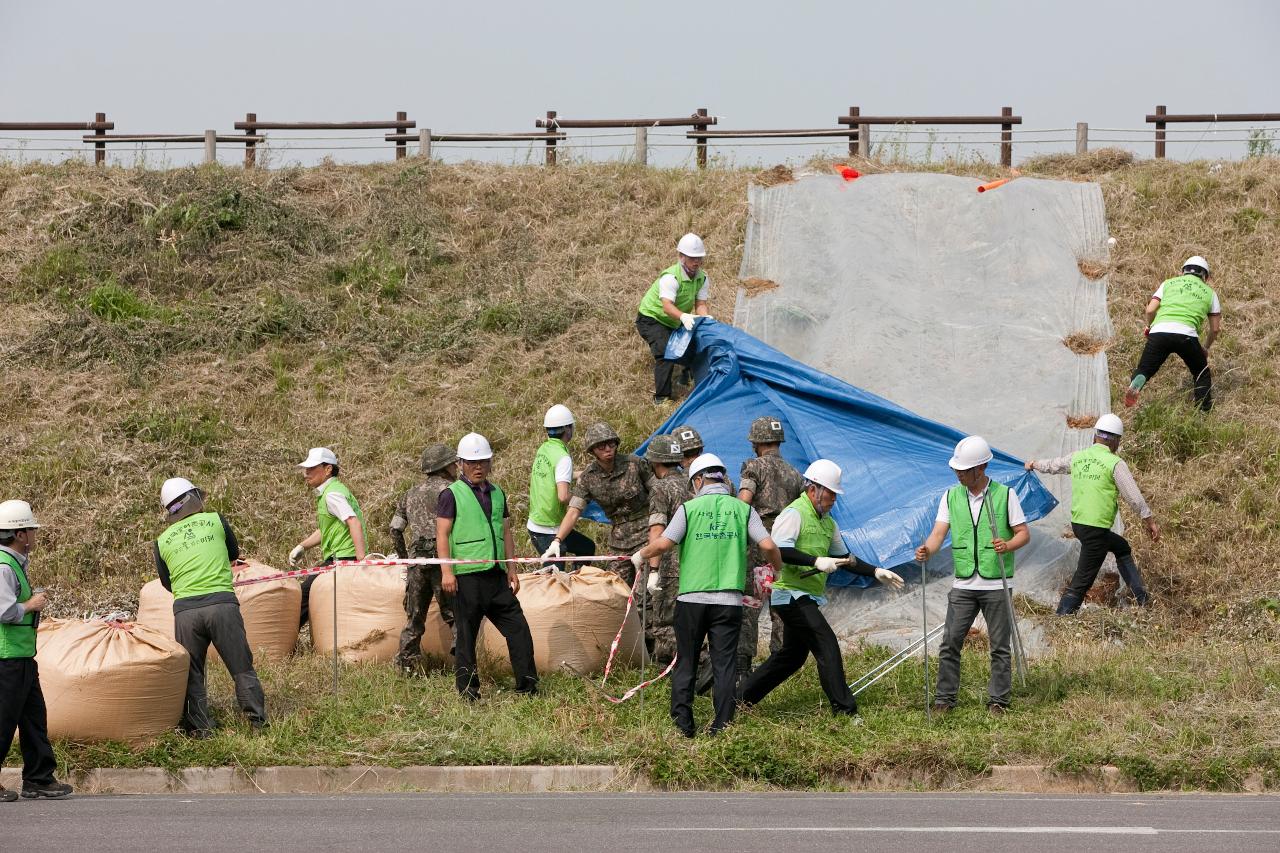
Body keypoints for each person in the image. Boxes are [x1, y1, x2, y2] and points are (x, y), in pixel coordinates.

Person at [630, 454, 782, 737]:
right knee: (724, 664)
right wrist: (779, 570)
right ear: (723, 479)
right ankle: (721, 726)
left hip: (691, 600)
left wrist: (640, 555)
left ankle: (683, 724)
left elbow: (664, 542)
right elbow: (768, 544)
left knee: (686, 659)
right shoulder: (743, 510)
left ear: (699, 480)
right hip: (728, 602)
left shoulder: (689, 509)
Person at [739, 461, 904, 715]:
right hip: (789, 594)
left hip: (807, 595)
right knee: (825, 643)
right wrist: (815, 560)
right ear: (813, 489)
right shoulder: (794, 513)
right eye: (829, 494)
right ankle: (844, 710)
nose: (832, 501)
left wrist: (875, 571)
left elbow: (846, 558)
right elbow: (780, 549)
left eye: (835, 496)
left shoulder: (828, 524)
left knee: (791, 657)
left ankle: (737, 699)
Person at [915, 436, 1030, 715]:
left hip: (996, 582)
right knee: (950, 641)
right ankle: (944, 699)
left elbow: (1023, 534)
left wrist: (1007, 545)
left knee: (1000, 645)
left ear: (981, 468)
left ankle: (998, 701)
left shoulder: (1005, 495)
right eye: (957, 470)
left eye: (964, 470)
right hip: (964, 582)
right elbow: (939, 533)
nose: (958, 474)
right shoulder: (951, 496)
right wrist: (927, 550)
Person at [155, 478, 268, 736]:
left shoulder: (161, 541)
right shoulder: (216, 520)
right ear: (193, 498)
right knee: (241, 666)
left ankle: (200, 727)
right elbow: (232, 553)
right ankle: (257, 722)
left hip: (185, 612)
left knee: (193, 672)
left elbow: (166, 581)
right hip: (222, 606)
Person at [437, 433, 537, 700]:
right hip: (466, 578)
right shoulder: (451, 494)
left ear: (490, 462)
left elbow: (505, 532)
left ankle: (527, 686)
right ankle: (469, 692)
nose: (478, 467)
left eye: (483, 461)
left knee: (518, 628)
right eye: (472, 462)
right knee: (467, 638)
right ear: (460, 464)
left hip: (496, 576)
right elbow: (442, 534)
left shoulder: (498, 493)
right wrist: (447, 571)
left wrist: (512, 569)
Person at [1025, 414, 1159, 614]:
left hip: (1080, 525)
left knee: (1121, 547)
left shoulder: (1079, 457)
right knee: (1083, 579)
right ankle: (1062, 617)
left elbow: (1055, 465)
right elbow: (1134, 497)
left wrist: (1034, 464)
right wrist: (1150, 521)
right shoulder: (1114, 463)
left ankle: (1142, 598)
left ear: (1095, 436)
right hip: (1096, 529)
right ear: (1115, 440)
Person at [0, 500, 72, 801]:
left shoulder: (14, 563)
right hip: (7, 660)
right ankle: (37, 778)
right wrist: (31, 605)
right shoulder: (4, 567)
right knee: (3, 721)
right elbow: (3, 611)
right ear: (20, 534)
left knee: (33, 719)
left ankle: (39, 779)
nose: (35, 535)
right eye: (31, 529)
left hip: (22, 657)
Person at [546, 422, 654, 587]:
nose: (608, 449)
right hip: (619, 541)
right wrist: (557, 540)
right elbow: (574, 510)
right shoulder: (588, 477)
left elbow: (658, 492)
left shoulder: (635, 464)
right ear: (592, 450)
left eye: (611, 444)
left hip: (646, 534)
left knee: (646, 589)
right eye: (601, 446)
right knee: (618, 589)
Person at [738, 415, 805, 655]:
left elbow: (743, 504)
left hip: (757, 543)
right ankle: (781, 658)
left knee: (749, 603)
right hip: (785, 545)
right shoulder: (795, 474)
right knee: (782, 603)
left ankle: (743, 663)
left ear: (756, 442)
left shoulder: (753, 467)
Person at [389, 443, 459, 674]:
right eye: (453, 463)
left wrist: (404, 559)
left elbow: (395, 529)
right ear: (445, 466)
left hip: (417, 563)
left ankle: (406, 666)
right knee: (454, 615)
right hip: (444, 562)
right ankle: (463, 663)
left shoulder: (409, 494)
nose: (456, 466)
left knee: (414, 619)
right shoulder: (454, 490)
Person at [1124, 255, 1221, 412]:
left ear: (1183, 272)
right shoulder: (1210, 293)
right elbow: (1215, 329)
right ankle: (1202, 412)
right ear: (1206, 276)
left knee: (1144, 369)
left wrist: (1150, 327)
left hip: (1159, 332)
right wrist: (1205, 347)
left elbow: (1150, 309)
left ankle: (1137, 383)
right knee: (1201, 373)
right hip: (1187, 335)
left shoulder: (1168, 283)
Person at [289, 447, 367, 627]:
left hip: (343, 559)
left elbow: (353, 522)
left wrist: (361, 559)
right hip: (339, 557)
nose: (305, 474)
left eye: (311, 469)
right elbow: (327, 529)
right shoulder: (330, 491)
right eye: (305, 469)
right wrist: (303, 546)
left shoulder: (332, 494)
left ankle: (284, 644)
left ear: (328, 469)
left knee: (305, 595)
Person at [635, 233, 714, 404]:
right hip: (652, 318)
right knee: (665, 352)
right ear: (681, 256)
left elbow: (700, 304)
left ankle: (686, 375)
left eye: (699, 257)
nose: (696, 262)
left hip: (675, 319)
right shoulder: (671, 277)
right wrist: (684, 316)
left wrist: (705, 317)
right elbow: (667, 306)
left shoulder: (702, 278)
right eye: (692, 258)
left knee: (694, 344)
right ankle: (662, 398)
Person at [528, 405, 595, 571]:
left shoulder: (544, 449)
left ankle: (574, 583)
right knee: (554, 578)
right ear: (568, 429)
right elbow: (563, 496)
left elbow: (557, 474)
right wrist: (585, 502)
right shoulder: (563, 457)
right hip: (547, 528)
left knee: (586, 548)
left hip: (538, 523)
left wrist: (583, 474)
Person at [642, 433, 689, 662]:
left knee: (663, 623)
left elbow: (657, 531)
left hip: (669, 566)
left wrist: (653, 570)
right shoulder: (693, 482)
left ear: (655, 462)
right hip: (696, 563)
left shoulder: (660, 488)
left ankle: (670, 670)